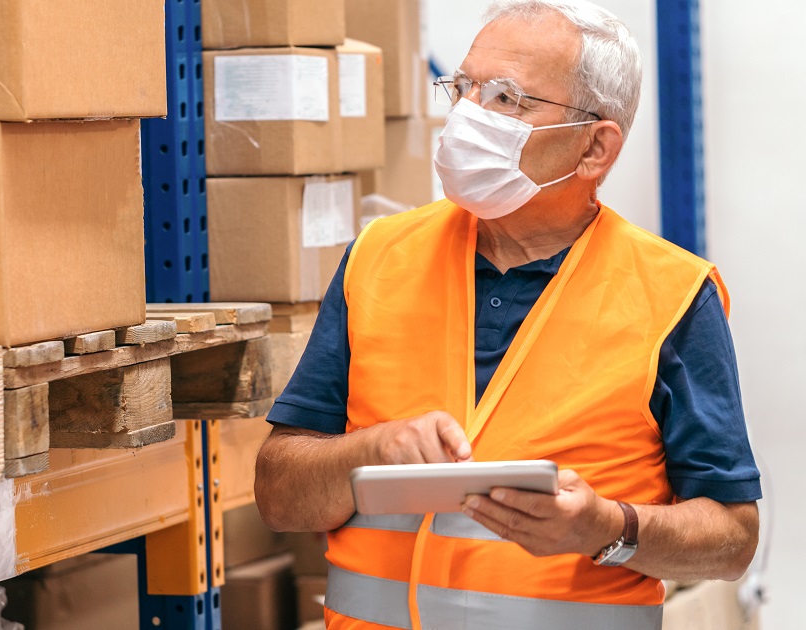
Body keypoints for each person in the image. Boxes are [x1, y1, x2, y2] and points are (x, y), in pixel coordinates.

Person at [253, 1, 762, 628]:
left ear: (595, 147)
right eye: (462, 88)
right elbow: (279, 494)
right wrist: (370, 450)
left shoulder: (673, 294)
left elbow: (732, 539)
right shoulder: (380, 256)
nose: (468, 115)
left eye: (507, 99)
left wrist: (608, 527)